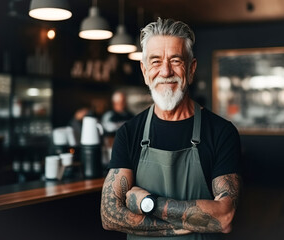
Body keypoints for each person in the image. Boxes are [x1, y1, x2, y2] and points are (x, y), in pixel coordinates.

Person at [101, 18, 241, 239]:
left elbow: (224, 216)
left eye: (175, 60)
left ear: (191, 68)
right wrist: (188, 224)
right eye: (155, 62)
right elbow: (109, 216)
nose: (165, 72)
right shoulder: (128, 133)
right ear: (145, 70)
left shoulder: (221, 132)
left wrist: (149, 203)